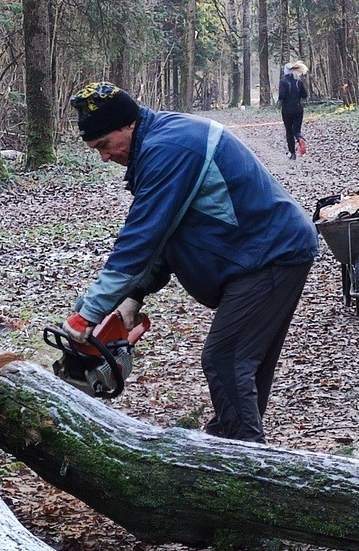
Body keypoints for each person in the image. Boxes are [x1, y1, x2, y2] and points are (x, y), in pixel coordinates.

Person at [64, 81, 318, 443]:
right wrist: (133, 299)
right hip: (262, 252)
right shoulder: (158, 143)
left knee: (226, 359)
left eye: (104, 145)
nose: (104, 157)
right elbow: (169, 233)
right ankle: (225, 446)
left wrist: (87, 315)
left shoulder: (169, 148)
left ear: (128, 125)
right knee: (244, 366)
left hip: (269, 252)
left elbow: (140, 239)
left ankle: (249, 470)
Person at [278, 61, 309, 160]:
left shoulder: (283, 82)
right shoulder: (298, 82)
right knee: (296, 130)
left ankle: (292, 154)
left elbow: (281, 96)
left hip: (287, 110)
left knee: (289, 131)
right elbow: (305, 95)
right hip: (298, 109)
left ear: (285, 71)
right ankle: (300, 139)